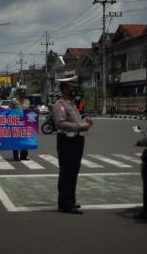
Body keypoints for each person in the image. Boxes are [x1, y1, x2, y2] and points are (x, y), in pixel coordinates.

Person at [53, 75, 93, 214]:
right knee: (66, 172)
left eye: (74, 86)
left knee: (73, 172)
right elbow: (60, 123)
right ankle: (65, 204)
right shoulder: (60, 104)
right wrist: (81, 126)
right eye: (71, 86)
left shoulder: (71, 104)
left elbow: (74, 122)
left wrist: (85, 122)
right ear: (64, 88)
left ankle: (71, 200)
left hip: (77, 140)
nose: (74, 89)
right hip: (67, 141)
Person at [11, 85, 30, 161]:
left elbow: (29, 112)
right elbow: (10, 111)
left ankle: (23, 156)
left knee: (25, 139)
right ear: (18, 92)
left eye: (24, 91)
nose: (23, 92)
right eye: (21, 91)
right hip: (16, 123)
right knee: (16, 140)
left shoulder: (27, 101)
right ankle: (15, 156)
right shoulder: (14, 101)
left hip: (25, 123)